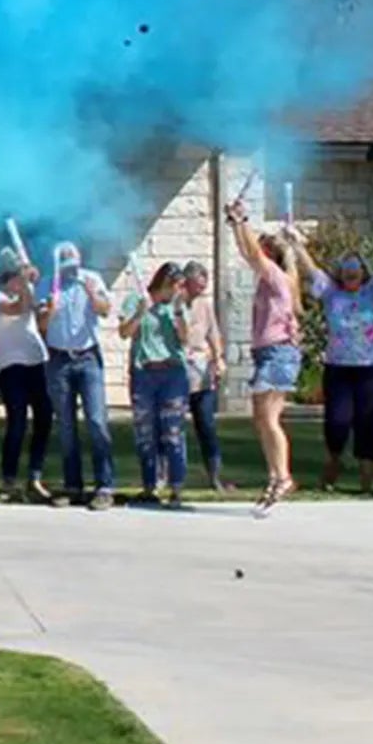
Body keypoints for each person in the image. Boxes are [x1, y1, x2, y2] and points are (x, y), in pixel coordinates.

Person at [296, 236, 373, 493]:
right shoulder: (331, 293)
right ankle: (334, 460)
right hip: (338, 367)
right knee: (337, 420)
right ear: (340, 273)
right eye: (346, 270)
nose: (351, 274)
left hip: (370, 366)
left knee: (368, 421)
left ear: (363, 273)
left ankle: (367, 477)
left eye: (356, 269)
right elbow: (311, 270)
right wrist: (297, 245)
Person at [225, 201, 302, 515]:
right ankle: (275, 476)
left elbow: (251, 253)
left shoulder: (275, 276)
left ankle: (283, 477)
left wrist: (242, 219)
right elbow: (247, 252)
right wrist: (235, 225)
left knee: (268, 419)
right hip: (269, 353)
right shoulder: (272, 277)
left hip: (278, 352)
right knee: (261, 419)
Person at [41, 241, 116, 511]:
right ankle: (73, 485)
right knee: (66, 426)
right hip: (59, 358)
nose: (70, 271)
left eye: (73, 265)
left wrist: (91, 294)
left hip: (87, 357)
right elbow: (40, 325)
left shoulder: (92, 278)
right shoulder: (50, 284)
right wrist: (50, 308)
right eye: (65, 267)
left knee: (96, 421)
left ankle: (105, 486)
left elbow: (106, 310)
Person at [119, 262, 191, 509]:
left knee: (172, 432)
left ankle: (176, 487)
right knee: (146, 432)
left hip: (173, 372)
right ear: (166, 283)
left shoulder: (176, 307)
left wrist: (179, 311)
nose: (180, 291)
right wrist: (140, 313)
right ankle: (150, 485)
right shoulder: (136, 300)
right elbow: (124, 333)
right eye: (177, 286)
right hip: (145, 373)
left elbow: (184, 338)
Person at [0, 250, 53, 504]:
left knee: (44, 418)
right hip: (11, 365)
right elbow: (17, 308)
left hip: (37, 360)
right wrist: (27, 285)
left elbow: (41, 320)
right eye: (16, 278)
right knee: (17, 422)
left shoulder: (29, 291)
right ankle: (9, 479)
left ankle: (35, 475)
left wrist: (48, 307)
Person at [177, 261, 233, 493]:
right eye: (197, 286)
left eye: (204, 286)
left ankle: (215, 475)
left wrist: (218, 358)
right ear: (186, 282)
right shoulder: (175, 303)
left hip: (202, 372)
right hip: (177, 370)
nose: (201, 290)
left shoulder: (205, 305)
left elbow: (214, 334)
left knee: (207, 425)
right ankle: (171, 477)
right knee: (174, 427)